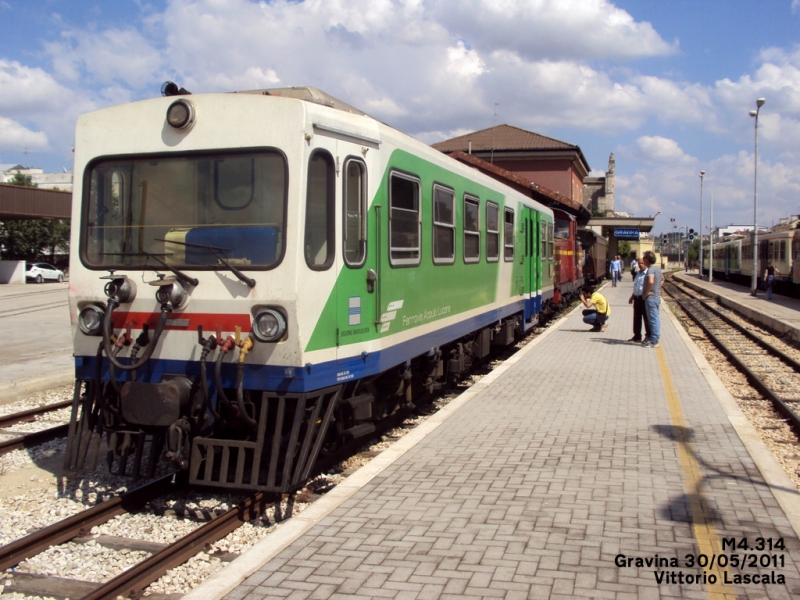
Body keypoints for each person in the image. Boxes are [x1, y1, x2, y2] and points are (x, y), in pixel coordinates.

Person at [641, 251, 663, 348]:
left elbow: (650, 281)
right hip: (657, 297)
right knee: (656, 319)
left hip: (651, 298)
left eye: (644, 258)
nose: (643, 260)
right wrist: (657, 287)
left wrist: (647, 292)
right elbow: (662, 279)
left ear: (647, 259)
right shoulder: (657, 269)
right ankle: (655, 337)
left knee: (652, 319)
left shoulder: (650, 270)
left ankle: (654, 340)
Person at [627, 257, 651, 343]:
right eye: (639, 263)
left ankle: (648, 336)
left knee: (646, 318)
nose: (640, 265)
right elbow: (636, 287)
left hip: (644, 299)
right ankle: (637, 336)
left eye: (642, 263)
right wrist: (632, 297)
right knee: (636, 318)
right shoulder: (638, 274)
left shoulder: (648, 274)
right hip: (637, 298)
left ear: (646, 263)